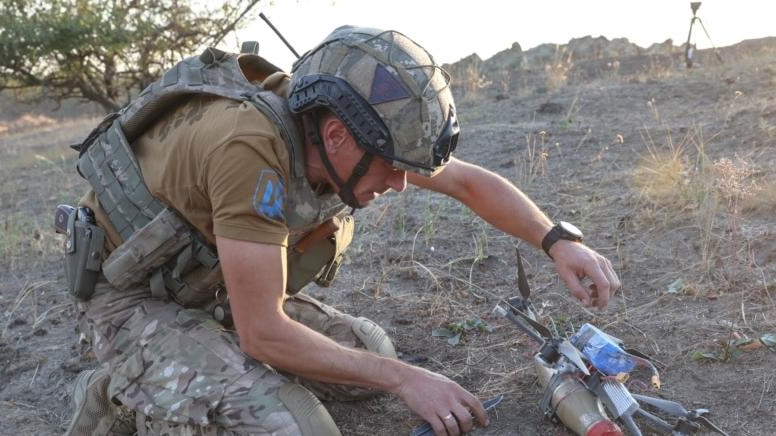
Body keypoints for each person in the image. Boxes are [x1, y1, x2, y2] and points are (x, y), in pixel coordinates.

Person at [63, 26, 620, 436]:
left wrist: (558, 241)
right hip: (130, 299)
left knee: (368, 354)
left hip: (211, 288)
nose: (401, 183)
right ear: (335, 137)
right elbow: (263, 333)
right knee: (298, 426)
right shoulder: (248, 148)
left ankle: (197, 349)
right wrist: (406, 380)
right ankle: (124, 391)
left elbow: (467, 183)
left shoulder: (349, 129)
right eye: (390, 166)